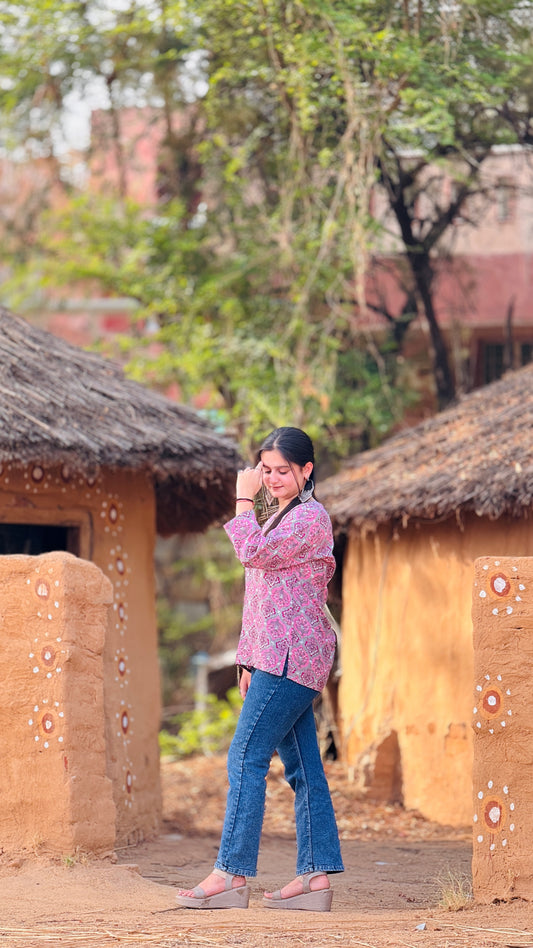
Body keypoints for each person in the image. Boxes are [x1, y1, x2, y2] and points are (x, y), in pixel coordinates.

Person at [175, 427, 344, 912]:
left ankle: (230, 873)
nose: (272, 480)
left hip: (293, 655)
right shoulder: (282, 517)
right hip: (276, 655)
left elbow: (250, 553)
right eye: (265, 471)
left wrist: (242, 500)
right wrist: (248, 657)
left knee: (245, 757)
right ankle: (315, 878)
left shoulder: (310, 518)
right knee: (304, 768)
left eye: (283, 471)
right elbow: (264, 596)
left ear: (306, 471)